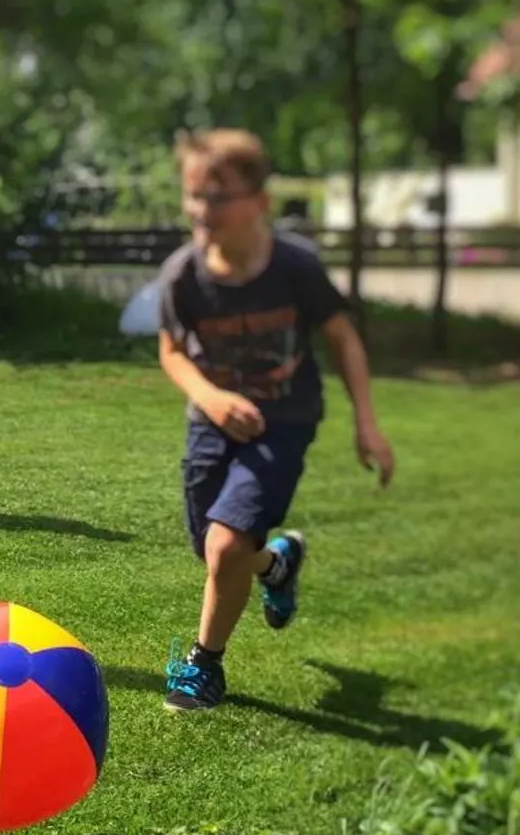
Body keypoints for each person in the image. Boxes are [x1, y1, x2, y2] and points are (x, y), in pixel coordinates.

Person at [151, 129, 396, 712]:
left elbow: (342, 338)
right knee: (213, 549)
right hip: (211, 421)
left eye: (218, 197)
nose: (202, 210)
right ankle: (277, 564)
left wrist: (367, 423)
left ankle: (203, 666)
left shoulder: (294, 267)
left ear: (260, 201)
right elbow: (171, 351)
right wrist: (211, 398)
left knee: (226, 545)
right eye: (193, 196)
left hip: (284, 419)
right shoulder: (184, 274)